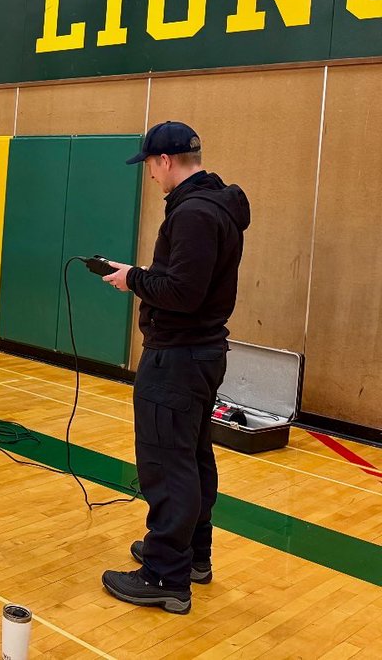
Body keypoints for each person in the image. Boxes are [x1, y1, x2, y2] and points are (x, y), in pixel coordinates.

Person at [100, 121, 250, 615]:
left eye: (148, 165)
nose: (149, 176)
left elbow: (182, 294)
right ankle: (191, 556)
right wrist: (143, 277)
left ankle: (166, 574)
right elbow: (188, 281)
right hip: (200, 355)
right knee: (192, 457)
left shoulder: (193, 215)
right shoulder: (215, 207)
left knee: (168, 465)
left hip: (178, 358)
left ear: (165, 161)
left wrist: (133, 279)